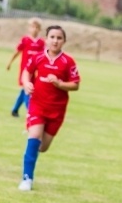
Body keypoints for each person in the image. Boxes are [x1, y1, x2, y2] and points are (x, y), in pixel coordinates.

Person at [18, 25, 80, 191]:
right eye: (52, 37)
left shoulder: (68, 61)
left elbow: (75, 85)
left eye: (59, 38)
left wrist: (59, 84)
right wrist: (26, 83)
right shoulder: (38, 58)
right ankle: (27, 178)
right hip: (37, 104)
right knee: (34, 137)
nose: (55, 41)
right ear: (46, 39)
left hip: (57, 110)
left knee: (42, 147)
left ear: (64, 41)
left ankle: (31, 145)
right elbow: (26, 71)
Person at [6, 18, 44, 118]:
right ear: (29, 28)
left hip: (35, 71)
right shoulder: (25, 40)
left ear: (40, 29)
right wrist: (9, 63)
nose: (34, 29)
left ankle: (14, 110)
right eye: (32, 27)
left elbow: (43, 57)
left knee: (25, 90)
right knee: (28, 89)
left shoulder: (41, 43)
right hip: (25, 71)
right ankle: (30, 112)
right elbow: (17, 52)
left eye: (37, 27)